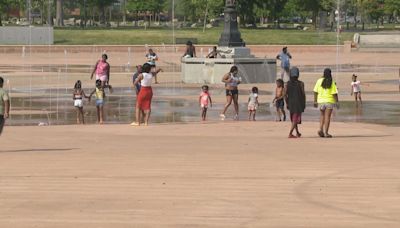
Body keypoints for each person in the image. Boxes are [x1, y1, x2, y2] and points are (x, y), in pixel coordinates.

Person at [313, 68, 339, 138]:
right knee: (327, 117)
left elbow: (315, 91)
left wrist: (315, 101)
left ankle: (320, 129)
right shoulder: (332, 81)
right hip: (329, 101)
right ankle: (326, 132)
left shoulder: (319, 81)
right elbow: (334, 93)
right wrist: (337, 102)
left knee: (322, 115)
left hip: (321, 101)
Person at [285, 67, 306, 138]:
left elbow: (285, 95)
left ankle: (297, 132)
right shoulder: (301, 83)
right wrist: (304, 103)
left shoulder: (287, 84)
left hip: (291, 103)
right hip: (298, 103)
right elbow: (303, 94)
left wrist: (287, 103)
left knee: (294, 118)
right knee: (295, 118)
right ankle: (290, 133)